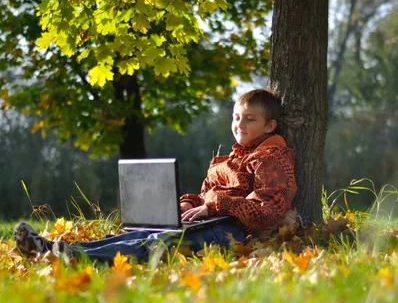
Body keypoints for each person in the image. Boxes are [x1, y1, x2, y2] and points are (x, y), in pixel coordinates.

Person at [14, 88, 297, 262]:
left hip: (230, 231)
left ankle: (69, 256)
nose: (240, 124)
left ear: (270, 126)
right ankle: (53, 249)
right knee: (144, 232)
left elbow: (268, 209)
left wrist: (214, 206)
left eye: (250, 119)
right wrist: (189, 204)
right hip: (207, 220)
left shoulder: (271, 159)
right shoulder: (230, 157)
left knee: (156, 244)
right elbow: (204, 195)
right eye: (236, 117)